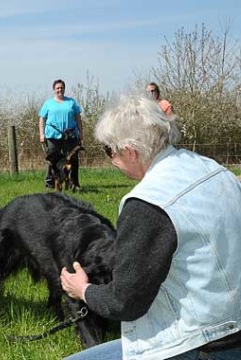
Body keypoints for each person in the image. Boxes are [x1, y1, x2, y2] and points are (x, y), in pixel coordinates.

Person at [60, 94, 241, 360]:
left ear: (130, 151)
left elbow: (125, 303)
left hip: (199, 344)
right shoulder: (217, 171)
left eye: (109, 150)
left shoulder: (148, 203)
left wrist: (83, 290)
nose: (110, 159)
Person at [38, 79, 83, 190]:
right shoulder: (48, 103)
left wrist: (81, 132)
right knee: (52, 160)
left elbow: (78, 118)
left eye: (61, 87)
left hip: (70, 134)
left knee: (73, 160)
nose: (60, 90)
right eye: (57, 88)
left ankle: (74, 183)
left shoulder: (71, 102)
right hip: (53, 135)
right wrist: (41, 134)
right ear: (54, 90)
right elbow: (41, 119)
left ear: (64, 88)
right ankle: (50, 183)